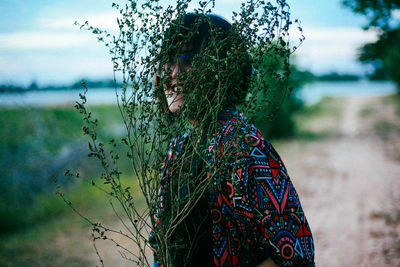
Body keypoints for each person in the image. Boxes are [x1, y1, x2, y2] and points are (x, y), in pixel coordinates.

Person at [151, 13, 315, 267]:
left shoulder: (245, 149)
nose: (173, 73)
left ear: (222, 69)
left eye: (186, 59)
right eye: (168, 60)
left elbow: (293, 253)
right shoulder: (179, 148)